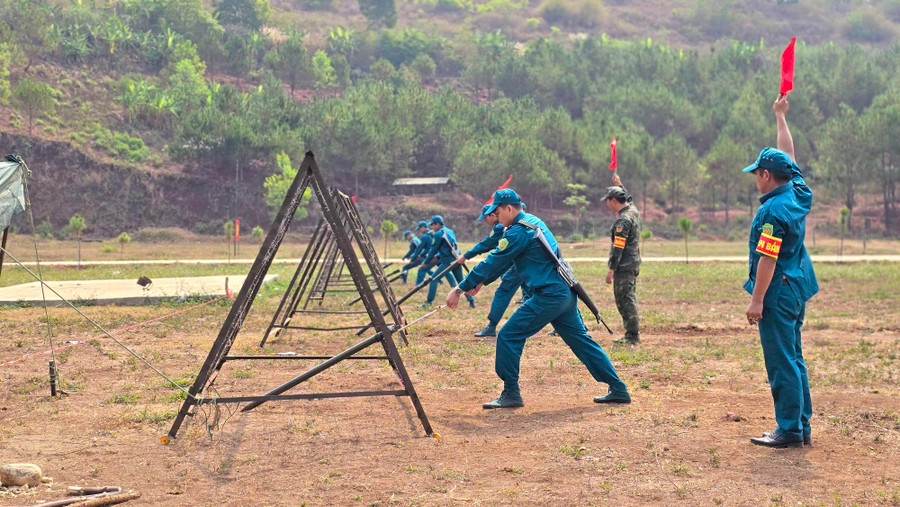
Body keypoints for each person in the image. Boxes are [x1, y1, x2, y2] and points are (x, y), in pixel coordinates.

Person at [445, 189, 630, 409]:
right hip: (564, 293)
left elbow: (493, 261)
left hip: (549, 295)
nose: (496, 217)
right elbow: (508, 261)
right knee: (582, 341)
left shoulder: (516, 232)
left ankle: (511, 393)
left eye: (497, 211)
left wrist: (459, 288)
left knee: (508, 335)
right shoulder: (532, 222)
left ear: (509, 208)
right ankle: (618, 388)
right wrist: (483, 281)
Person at [744, 94, 818, 448]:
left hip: (778, 290)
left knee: (781, 360)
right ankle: (800, 424)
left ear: (766, 175)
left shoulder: (772, 212)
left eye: (757, 173)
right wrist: (780, 117)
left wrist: (756, 302)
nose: (755, 179)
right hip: (798, 287)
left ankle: (788, 428)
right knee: (794, 357)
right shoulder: (798, 191)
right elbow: (789, 155)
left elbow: (767, 259)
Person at [458, 204, 531, 338]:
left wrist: (466, 256)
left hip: (519, 264)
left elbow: (488, 246)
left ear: (492, 214)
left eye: (486, 218)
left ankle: (492, 326)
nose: (486, 222)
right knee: (542, 293)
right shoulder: (523, 223)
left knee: (504, 290)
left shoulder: (501, 227)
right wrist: (484, 281)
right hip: (525, 264)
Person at [603, 173, 642, 345]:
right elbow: (629, 200)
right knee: (628, 297)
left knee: (625, 300)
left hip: (624, 266)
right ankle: (631, 334)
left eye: (607, 200)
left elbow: (618, 248)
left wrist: (611, 270)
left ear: (613, 200)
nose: (606, 204)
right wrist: (620, 184)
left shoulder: (623, 221)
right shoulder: (632, 212)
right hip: (632, 263)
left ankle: (632, 336)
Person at [421, 215, 475, 308]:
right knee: (461, 281)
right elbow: (448, 247)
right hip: (456, 259)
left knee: (434, 280)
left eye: (433, 225)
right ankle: (471, 302)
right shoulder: (449, 231)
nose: (432, 227)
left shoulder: (438, 234)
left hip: (447, 261)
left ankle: (429, 301)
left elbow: (433, 250)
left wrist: (426, 262)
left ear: (437, 224)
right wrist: (438, 257)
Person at [409, 221, 435, 286]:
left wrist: (412, 259)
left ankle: (418, 286)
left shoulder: (424, 236)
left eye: (419, 229)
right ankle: (452, 284)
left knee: (422, 269)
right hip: (437, 254)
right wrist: (421, 255)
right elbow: (428, 248)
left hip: (431, 256)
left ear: (423, 227)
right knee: (444, 270)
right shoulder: (432, 234)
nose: (419, 231)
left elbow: (419, 249)